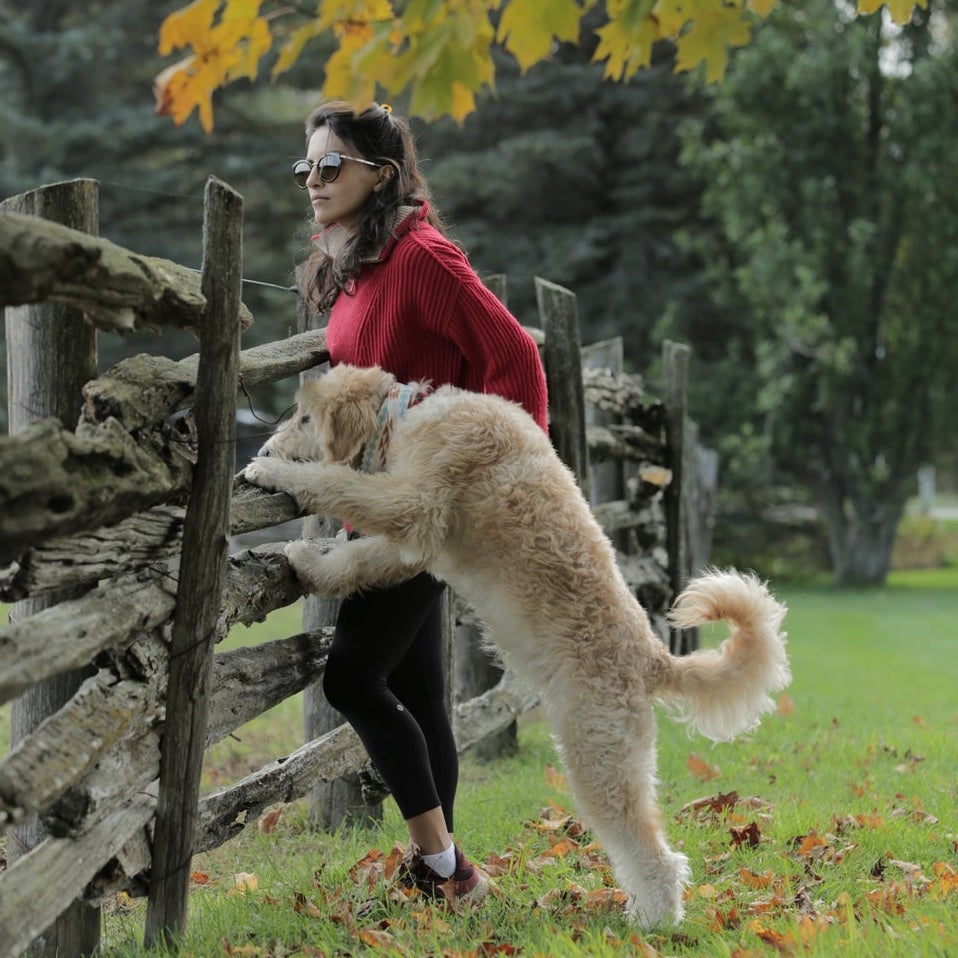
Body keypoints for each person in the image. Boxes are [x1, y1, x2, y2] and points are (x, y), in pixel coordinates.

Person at [292, 101, 549, 903]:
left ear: (381, 175)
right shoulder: (359, 265)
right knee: (419, 691)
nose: (313, 181)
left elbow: (516, 360)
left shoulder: (424, 258)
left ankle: (448, 870)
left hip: (423, 512)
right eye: (305, 168)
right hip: (378, 507)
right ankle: (443, 871)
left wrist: (481, 479)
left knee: (351, 680)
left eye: (330, 166)